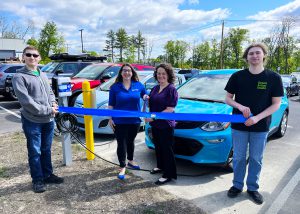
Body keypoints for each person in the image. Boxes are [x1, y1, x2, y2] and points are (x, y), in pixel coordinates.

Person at [224, 43, 283, 204]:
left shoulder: (273, 78)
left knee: (256, 158)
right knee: (238, 157)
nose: (254, 56)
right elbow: (228, 98)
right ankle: (237, 185)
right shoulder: (237, 76)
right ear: (246, 57)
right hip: (239, 126)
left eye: (258, 53)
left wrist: (257, 118)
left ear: (264, 55)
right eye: (251, 54)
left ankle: (252, 188)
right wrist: (240, 106)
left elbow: (276, 104)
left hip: (260, 126)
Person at [12, 46, 64, 193]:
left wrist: (53, 102)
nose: (32, 57)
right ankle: (37, 179)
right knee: (35, 152)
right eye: (28, 55)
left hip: (48, 120)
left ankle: (47, 175)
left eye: (35, 55)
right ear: (23, 57)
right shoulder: (19, 77)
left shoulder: (42, 74)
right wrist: (49, 109)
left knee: (46, 149)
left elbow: (50, 92)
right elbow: (27, 103)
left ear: (39, 58)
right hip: (32, 121)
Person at [108, 63, 148, 180]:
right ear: (121, 73)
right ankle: (122, 166)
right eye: (124, 70)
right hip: (119, 121)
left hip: (134, 121)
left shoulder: (139, 85)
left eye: (129, 71)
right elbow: (111, 104)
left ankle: (130, 160)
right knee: (122, 143)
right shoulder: (115, 87)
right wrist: (110, 118)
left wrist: (145, 97)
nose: (126, 73)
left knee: (130, 141)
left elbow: (144, 95)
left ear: (132, 73)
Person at [145, 63, 178, 185]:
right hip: (156, 125)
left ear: (168, 75)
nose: (161, 76)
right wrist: (147, 99)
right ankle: (160, 167)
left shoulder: (171, 89)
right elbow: (152, 105)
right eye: (158, 73)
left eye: (163, 73)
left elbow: (170, 109)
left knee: (166, 149)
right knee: (158, 147)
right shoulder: (155, 88)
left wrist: (152, 119)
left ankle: (168, 174)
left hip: (166, 125)